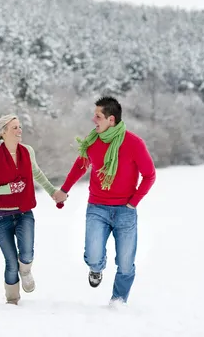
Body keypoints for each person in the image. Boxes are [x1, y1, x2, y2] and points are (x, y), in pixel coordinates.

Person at [53, 96, 156, 305]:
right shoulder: (92, 141)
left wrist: (133, 202)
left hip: (125, 211)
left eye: (97, 116)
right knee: (92, 255)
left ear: (111, 119)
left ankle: (118, 301)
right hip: (97, 208)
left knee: (126, 264)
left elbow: (149, 175)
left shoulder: (134, 143)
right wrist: (64, 190)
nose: (94, 120)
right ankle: (96, 267)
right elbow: (80, 166)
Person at [0, 114, 65, 305]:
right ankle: (12, 301)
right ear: (3, 132)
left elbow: (37, 173)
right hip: (0, 217)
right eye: (14, 128)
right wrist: (7, 189)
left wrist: (53, 192)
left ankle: (25, 271)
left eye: (20, 127)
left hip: (24, 212)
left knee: (26, 254)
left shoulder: (28, 151)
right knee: (10, 262)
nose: (20, 131)